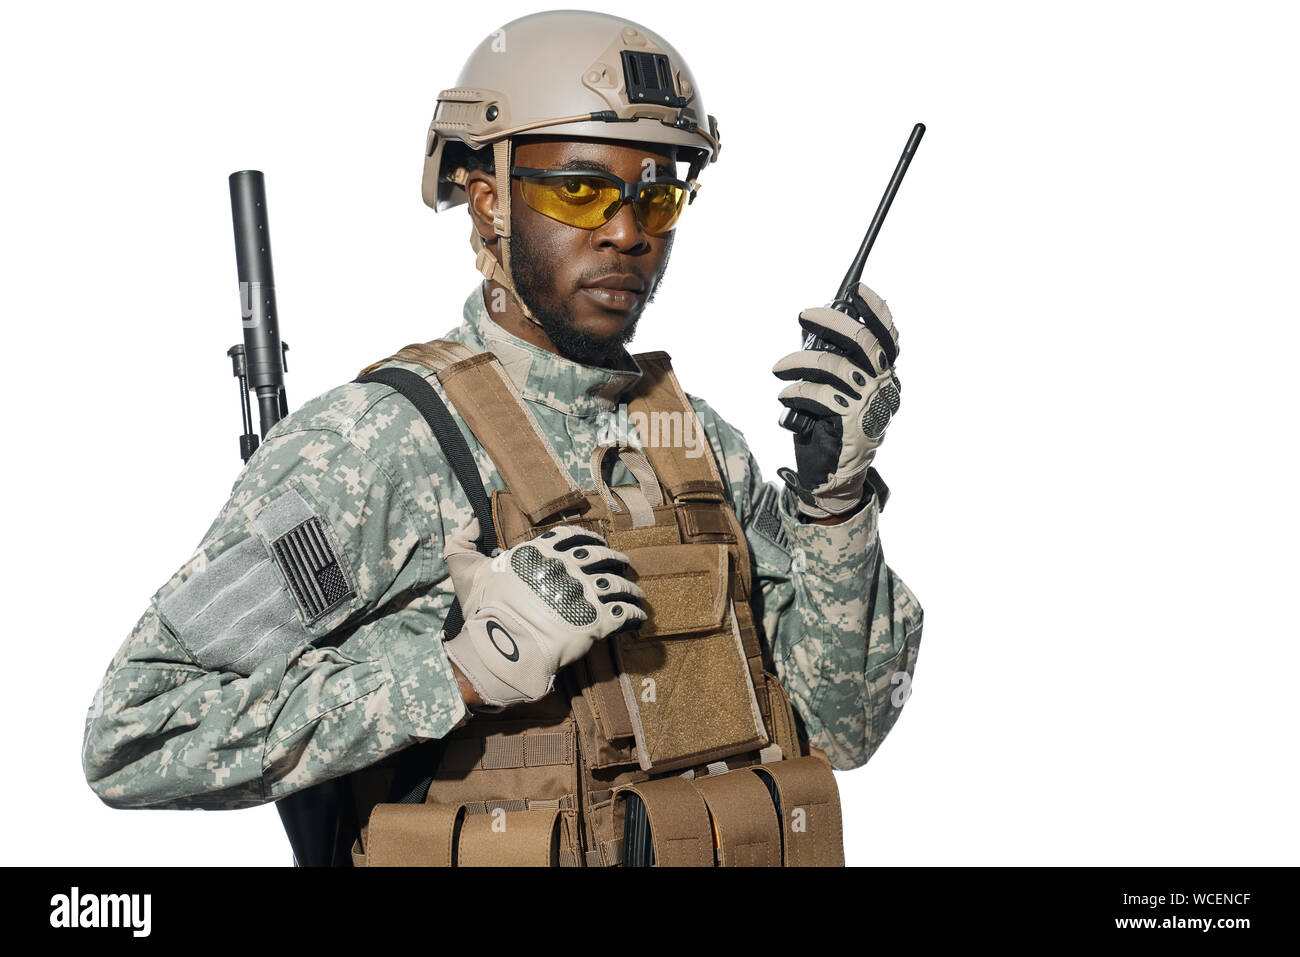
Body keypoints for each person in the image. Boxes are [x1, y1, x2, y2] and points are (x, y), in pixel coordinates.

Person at [82, 9, 923, 867]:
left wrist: (836, 504)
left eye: (658, 194)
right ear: (489, 201)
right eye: (580, 190)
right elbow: (135, 731)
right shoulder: (378, 446)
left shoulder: (700, 446)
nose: (627, 232)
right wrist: (456, 670)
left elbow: (846, 727)